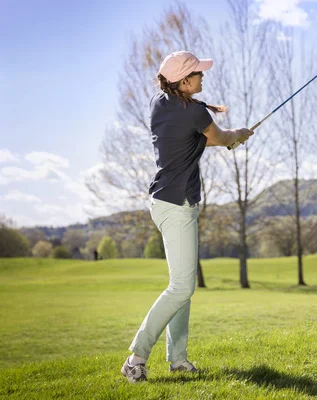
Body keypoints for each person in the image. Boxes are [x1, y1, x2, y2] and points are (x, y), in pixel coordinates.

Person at [121, 51, 254, 384]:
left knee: (181, 286)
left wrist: (224, 139)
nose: (202, 78)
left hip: (162, 200)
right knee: (181, 287)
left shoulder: (160, 104)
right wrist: (237, 135)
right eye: (197, 74)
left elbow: (191, 140)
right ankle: (136, 358)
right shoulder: (193, 111)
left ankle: (178, 359)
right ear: (183, 81)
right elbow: (219, 137)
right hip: (178, 204)